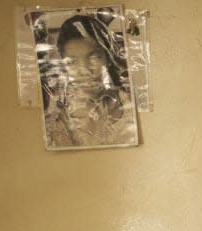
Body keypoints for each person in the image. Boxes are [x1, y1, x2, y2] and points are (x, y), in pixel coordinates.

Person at [41, 13, 138, 149]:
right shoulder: (58, 118)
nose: (84, 70)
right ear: (63, 66)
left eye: (94, 57)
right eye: (72, 62)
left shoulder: (130, 101)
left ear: (108, 58)